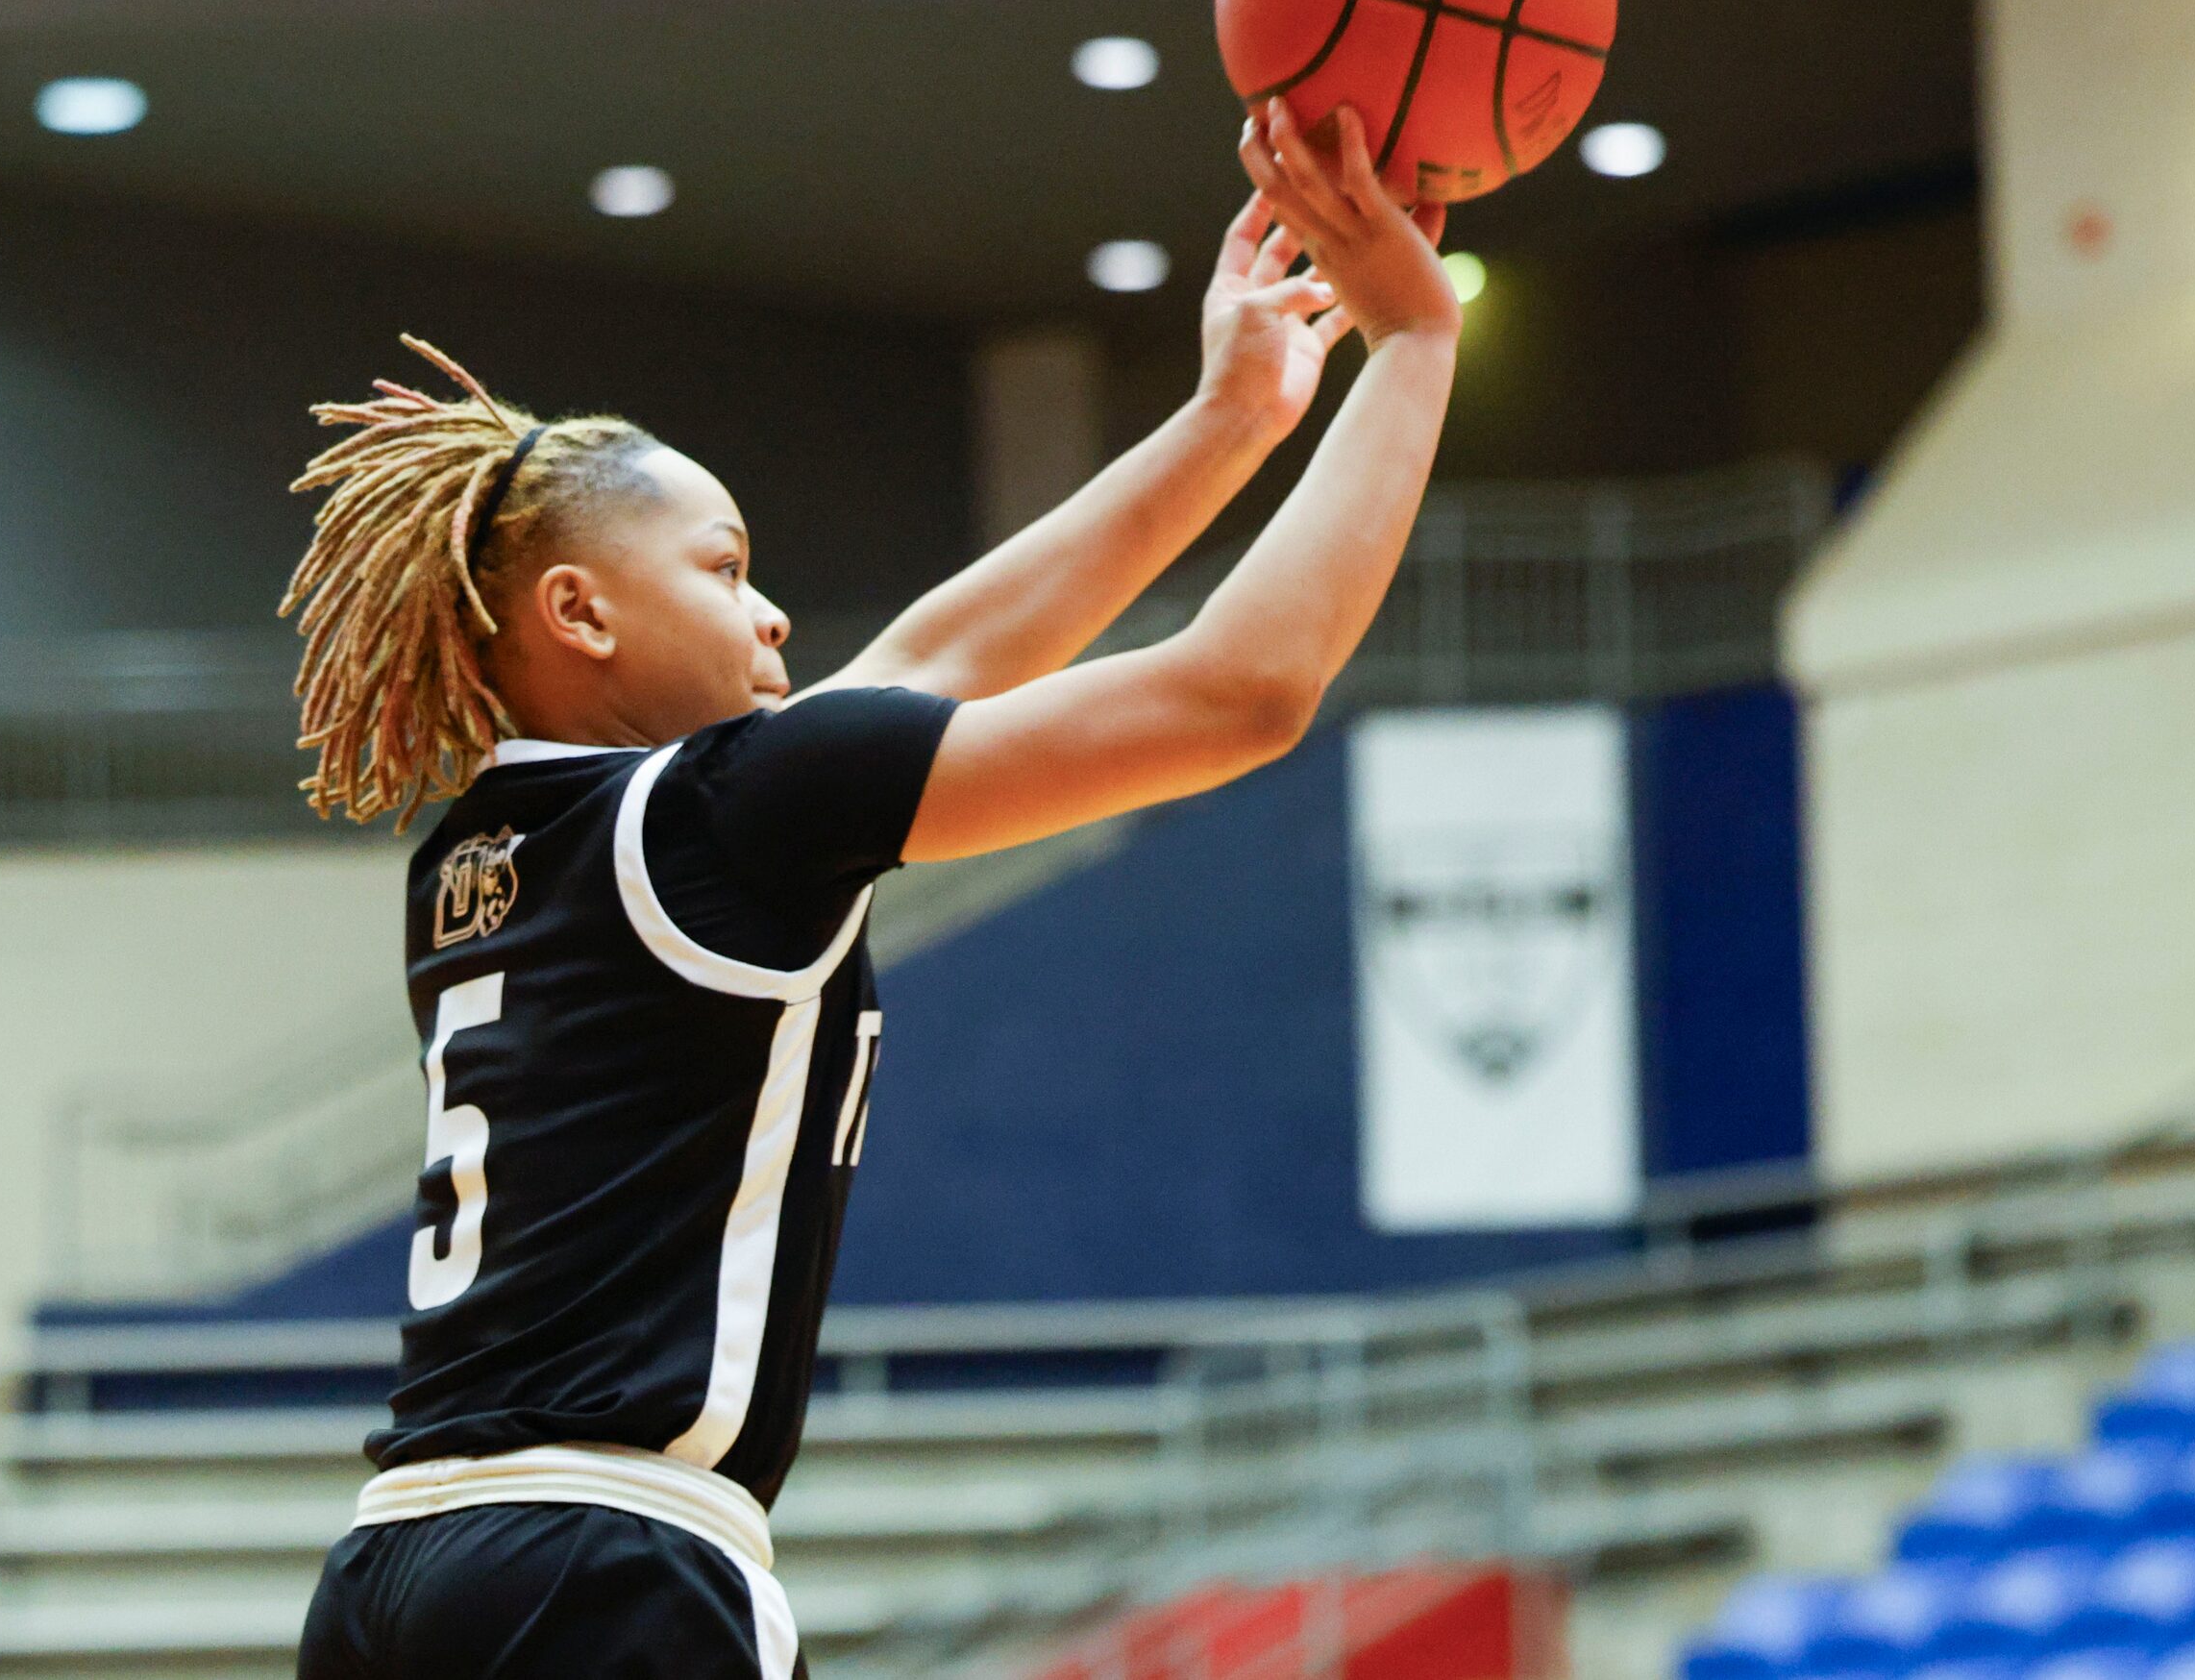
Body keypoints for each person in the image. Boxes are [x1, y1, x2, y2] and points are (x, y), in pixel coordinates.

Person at [287, 100, 1459, 1679]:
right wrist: (1412, 347)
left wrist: (1232, 418)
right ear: (580, 611)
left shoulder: (476, 857)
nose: (770, 616)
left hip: (387, 1579)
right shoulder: (722, 813)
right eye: (722, 566)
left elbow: (923, 667)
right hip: (604, 1565)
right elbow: (1238, 691)